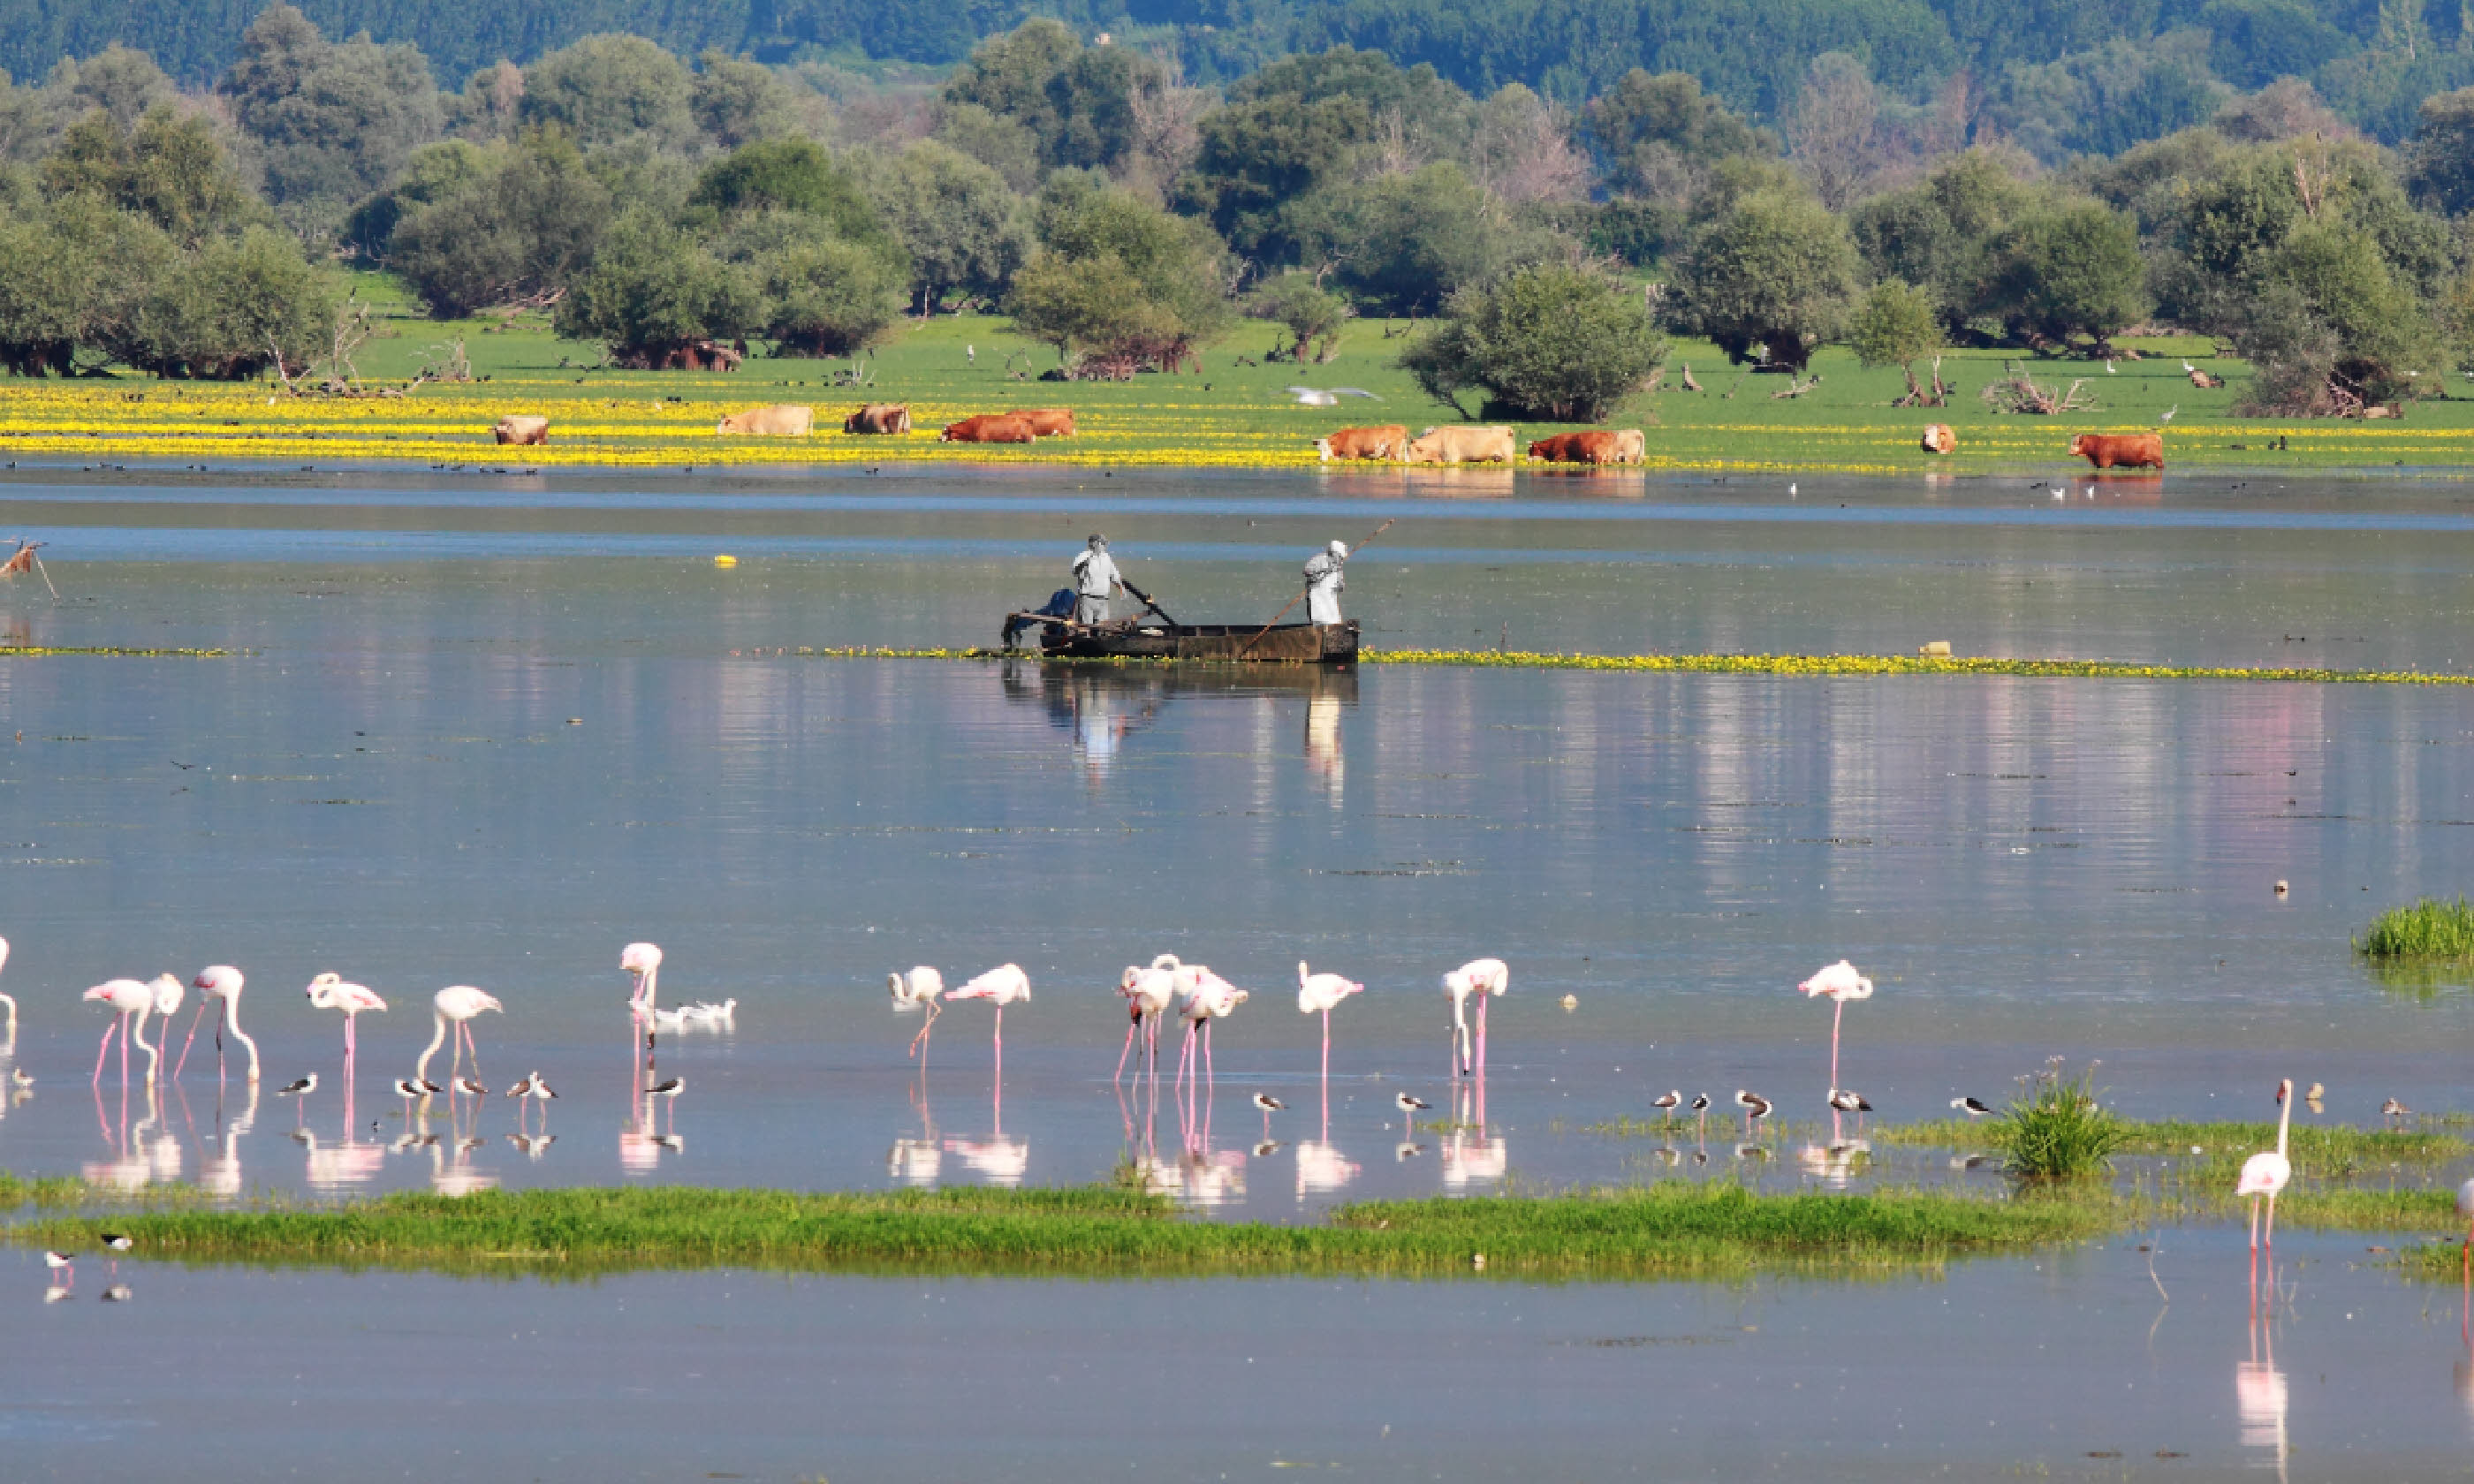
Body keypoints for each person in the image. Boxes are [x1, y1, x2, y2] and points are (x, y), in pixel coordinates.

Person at [1071, 534, 1122, 625]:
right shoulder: (1083, 556)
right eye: (1103, 544)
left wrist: (1121, 588)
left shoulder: (1106, 557)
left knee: (1102, 627)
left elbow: (1115, 576)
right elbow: (1075, 572)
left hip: (1103, 599)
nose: (1105, 546)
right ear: (1095, 544)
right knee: (1086, 627)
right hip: (1087, 599)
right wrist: (1083, 565)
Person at [1303, 540, 1347, 625]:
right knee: (1318, 619)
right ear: (1333, 553)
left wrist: (1340, 586)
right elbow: (1307, 571)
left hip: (1330, 599)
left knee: (1333, 620)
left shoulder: (1338, 568)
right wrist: (1318, 575)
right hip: (1316, 597)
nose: (1341, 559)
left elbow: (1341, 585)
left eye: (1341, 558)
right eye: (1339, 557)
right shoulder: (1320, 559)